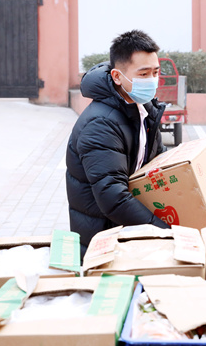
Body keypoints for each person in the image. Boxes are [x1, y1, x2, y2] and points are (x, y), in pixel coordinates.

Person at [65, 30, 169, 257]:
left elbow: (158, 162)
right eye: (143, 74)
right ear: (117, 76)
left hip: (129, 234)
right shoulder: (100, 124)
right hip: (105, 241)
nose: (152, 80)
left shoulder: (143, 109)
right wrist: (165, 232)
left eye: (155, 72)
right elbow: (113, 197)